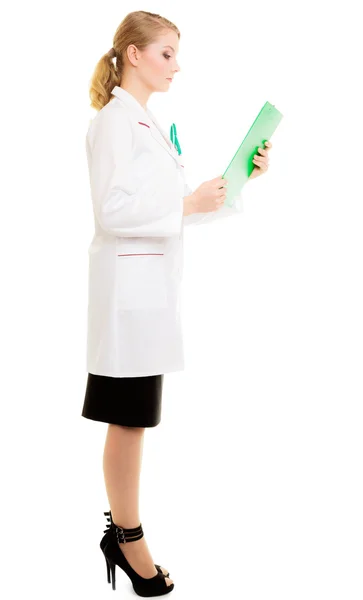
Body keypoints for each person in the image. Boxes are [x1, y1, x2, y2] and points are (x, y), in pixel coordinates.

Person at [80, 9, 271, 598]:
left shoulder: (145, 124)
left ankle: (124, 531)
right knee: (129, 417)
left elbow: (170, 215)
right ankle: (127, 536)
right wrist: (187, 205)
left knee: (134, 417)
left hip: (147, 297)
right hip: (127, 301)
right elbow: (111, 211)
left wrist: (234, 186)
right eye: (166, 53)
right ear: (133, 55)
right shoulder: (116, 122)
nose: (177, 65)